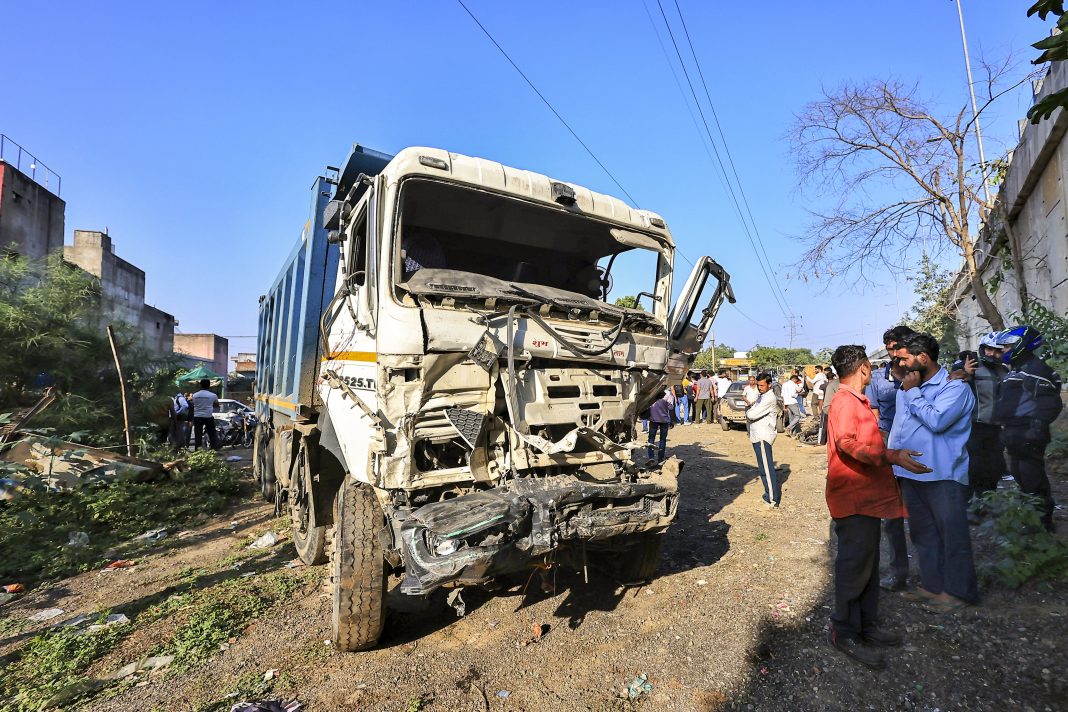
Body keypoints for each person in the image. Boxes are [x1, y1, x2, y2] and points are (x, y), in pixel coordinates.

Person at [825, 345, 930, 669]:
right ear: (864, 368)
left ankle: (866, 626)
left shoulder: (855, 400)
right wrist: (890, 455)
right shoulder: (845, 401)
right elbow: (846, 442)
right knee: (853, 568)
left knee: (868, 568)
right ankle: (844, 631)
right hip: (852, 498)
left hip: (866, 497)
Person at [888, 332, 978, 612]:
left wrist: (912, 393)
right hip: (911, 474)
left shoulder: (955, 388)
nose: (899, 363)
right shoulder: (908, 386)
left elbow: (937, 421)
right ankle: (932, 585)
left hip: (942, 475)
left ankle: (958, 593)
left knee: (952, 535)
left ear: (923, 358)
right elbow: (901, 426)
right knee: (923, 533)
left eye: (904, 358)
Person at [994, 325, 1064, 530]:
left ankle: (1042, 525)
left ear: (1021, 345)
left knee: (1033, 479)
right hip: (1014, 433)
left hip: (1028, 434)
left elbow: (1050, 403)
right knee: (1019, 475)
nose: (1003, 350)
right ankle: (1031, 518)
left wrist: (1036, 427)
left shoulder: (1036, 369)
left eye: (1007, 346)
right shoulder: (1016, 370)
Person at [865, 325, 916, 592]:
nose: (893, 354)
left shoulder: (923, 375)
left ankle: (933, 571)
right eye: (889, 349)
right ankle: (898, 572)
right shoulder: (877, 379)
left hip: (919, 450)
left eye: (897, 348)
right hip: (890, 451)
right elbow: (873, 416)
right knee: (892, 515)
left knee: (922, 513)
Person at [950, 334, 1008, 504]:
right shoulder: (970, 366)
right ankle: (967, 505)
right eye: (989, 349)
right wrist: (965, 373)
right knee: (973, 468)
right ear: (983, 349)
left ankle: (987, 502)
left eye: (997, 351)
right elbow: (953, 384)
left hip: (996, 428)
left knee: (995, 467)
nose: (992, 354)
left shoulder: (1004, 370)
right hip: (973, 426)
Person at [746, 373, 781, 506]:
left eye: (762, 385)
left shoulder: (769, 398)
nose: (759, 388)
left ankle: (772, 499)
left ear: (769, 384)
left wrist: (749, 412)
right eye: (758, 385)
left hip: (763, 436)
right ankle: (769, 495)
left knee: (766, 469)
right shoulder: (762, 396)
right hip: (758, 435)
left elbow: (751, 414)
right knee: (763, 468)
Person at [647, 388, 675, 463]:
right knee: (662, 440)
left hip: (653, 420)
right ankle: (660, 458)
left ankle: (651, 457)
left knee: (651, 439)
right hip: (664, 420)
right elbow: (671, 408)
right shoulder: (667, 396)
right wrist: (672, 420)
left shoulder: (652, 395)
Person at [191, 379, 220, 450]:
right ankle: (214, 449)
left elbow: (193, 404)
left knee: (198, 434)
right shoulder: (213, 395)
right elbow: (216, 405)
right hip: (208, 416)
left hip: (197, 416)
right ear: (209, 386)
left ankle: (197, 450)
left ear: (200, 385)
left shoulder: (194, 395)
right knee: (212, 433)